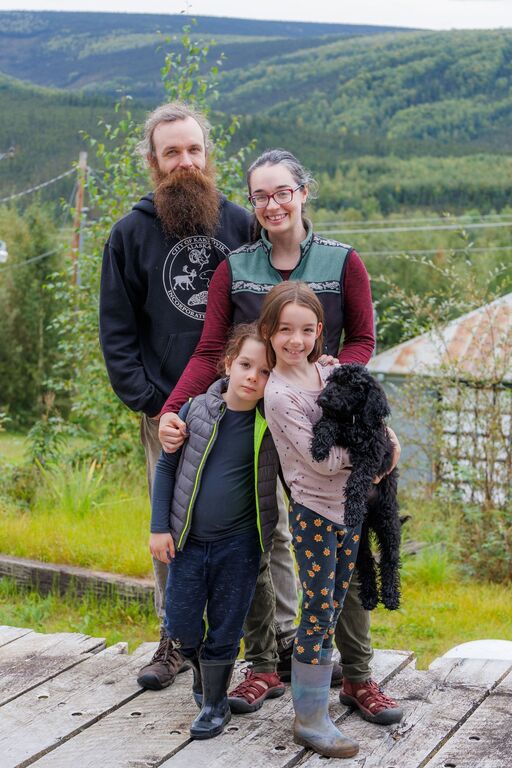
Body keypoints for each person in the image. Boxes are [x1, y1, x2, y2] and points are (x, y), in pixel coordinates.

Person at [158, 149, 403, 724]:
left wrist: (335, 386)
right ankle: (265, 663)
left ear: (302, 193)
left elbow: (364, 340)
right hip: (250, 431)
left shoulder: (344, 262)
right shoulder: (234, 267)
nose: (272, 204)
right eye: (260, 196)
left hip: (322, 426)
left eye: (282, 192)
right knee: (256, 540)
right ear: (253, 204)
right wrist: (174, 408)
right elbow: (209, 351)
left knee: (344, 533)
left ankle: (359, 677)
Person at [99, 101, 252, 688]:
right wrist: (150, 401)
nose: (184, 162)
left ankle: (257, 644)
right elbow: (116, 331)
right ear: (153, 162)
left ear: (207, 156)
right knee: (171, 522)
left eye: (194, 150)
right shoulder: (129, 234)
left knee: (252, 523)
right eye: (172, 152)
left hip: (241, 405)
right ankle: (174, 640)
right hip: (170, 410)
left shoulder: (240, 225)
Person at [259, 282, 400, 757]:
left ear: (319, 331)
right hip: (315, 513)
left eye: (305, 330)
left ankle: (321, 700)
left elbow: (375, 421)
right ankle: (310, 719)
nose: (295, 340)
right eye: (284, 330)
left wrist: (386, 445)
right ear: (269, 334)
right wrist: (371, 456)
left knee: (337, 601)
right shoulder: (279, 395)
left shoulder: (331, 370)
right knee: (318, 610)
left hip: (351, 509)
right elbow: (321, 462)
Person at [148, 323, 283, 739]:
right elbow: (168, 468)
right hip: (188, 543)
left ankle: (213, 705)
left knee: (226, 625)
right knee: (182, 624)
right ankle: (203, 675)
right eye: (245, 365)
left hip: (239, 548)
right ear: (227, 363)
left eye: (264, 373)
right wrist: (158, 529)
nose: (252, 377)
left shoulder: (271, 423)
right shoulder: (194, 411)